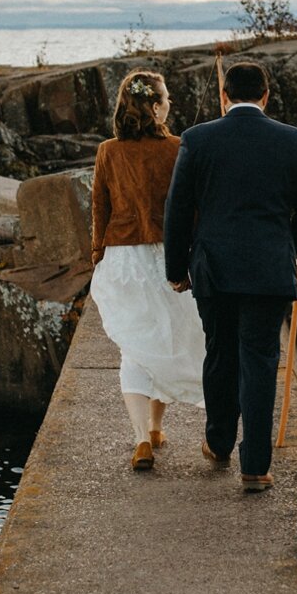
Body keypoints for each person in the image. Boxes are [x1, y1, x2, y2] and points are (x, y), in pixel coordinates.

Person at [163, 58, 297, 493]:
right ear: (266, 95)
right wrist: (284, 244)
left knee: (219, 353)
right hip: (268, 271)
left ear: (223, 96)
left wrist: (176, 269)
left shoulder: (197, 140)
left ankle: (218, 444)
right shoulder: (293, 142)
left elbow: (177, 210)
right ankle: (255, 467)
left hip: (213, 269)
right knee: (259, 363)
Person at [87, 71, 207, 471]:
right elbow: (191, 208)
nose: (170, 103)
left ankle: (144, 437)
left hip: (122, 258)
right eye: (167, 98)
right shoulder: (177, 147)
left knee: (135, 346)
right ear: (155, 107)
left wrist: (96, 257)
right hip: (167, 254)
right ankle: (156, 427)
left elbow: (99, 210)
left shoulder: (108, 151)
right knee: (173, 338)